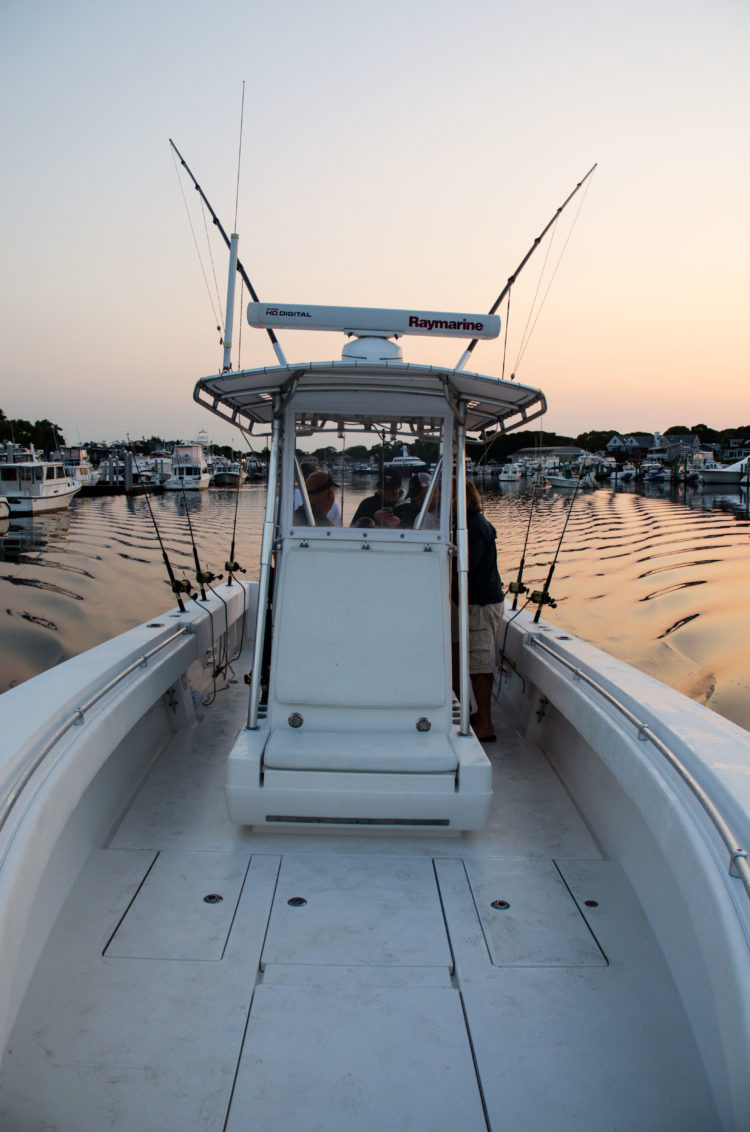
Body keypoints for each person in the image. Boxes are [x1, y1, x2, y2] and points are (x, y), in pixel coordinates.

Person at [453, 480, 504, 742]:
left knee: (480, 665)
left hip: (482, 605)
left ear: (463, 500)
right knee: (474, 660)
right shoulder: (470, 524)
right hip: (479, 603)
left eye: (449, 498)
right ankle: (475, 713)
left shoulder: (472, 528)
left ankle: (486, 724)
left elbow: (466, 568)